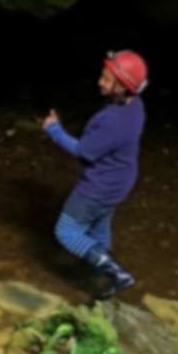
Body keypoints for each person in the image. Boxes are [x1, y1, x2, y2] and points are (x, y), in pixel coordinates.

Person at [40, 48, 150, 299]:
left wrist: (54, 130)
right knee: (99, 227)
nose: (100, 82)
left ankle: (116, 273)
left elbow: (84, 152)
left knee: (67, 231)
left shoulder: (114, 121)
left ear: (122, 88)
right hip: (120, 182)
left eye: (107, 80)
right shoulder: (135, 106)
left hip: (99, 186)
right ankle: (98, 278)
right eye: (103, 76)